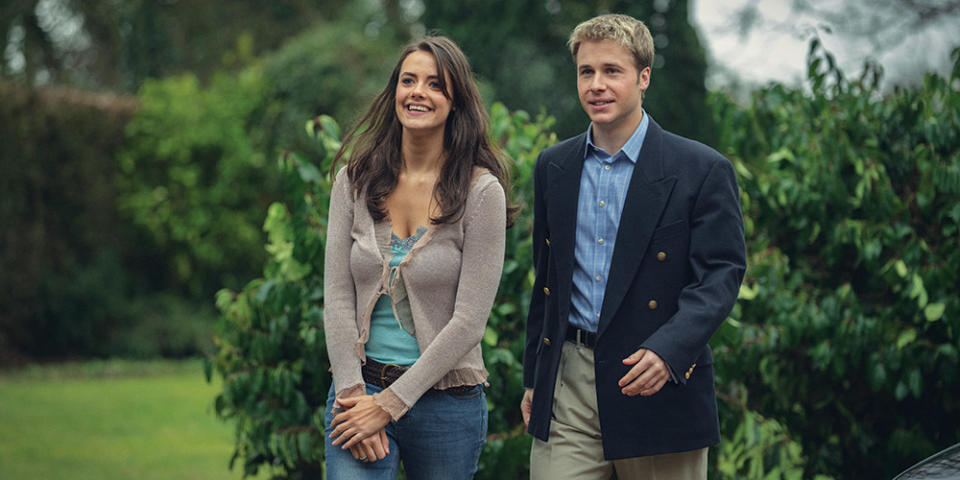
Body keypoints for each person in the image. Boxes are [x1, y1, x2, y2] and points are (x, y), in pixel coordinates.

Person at [520, 14, 746, 480]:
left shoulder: (701, 169)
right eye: (586, 72)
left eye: (612, 71)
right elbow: (547, 282)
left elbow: (721, 274)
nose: (596, 85)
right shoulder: (553, 167)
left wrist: (669, 350)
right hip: (569, 383)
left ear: (644, 78)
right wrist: (533, 380)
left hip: (654, 380)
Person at [322, 36, 514, 479]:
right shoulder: (354, 182)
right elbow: (336, 295)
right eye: (408, 80)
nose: (418, 92)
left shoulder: (482, 193)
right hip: (359, 391)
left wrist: (387, 407)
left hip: (446, 404)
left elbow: (469, 321)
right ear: (394, 92)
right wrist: (355, 398)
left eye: (434, 84)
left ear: (455, 101)